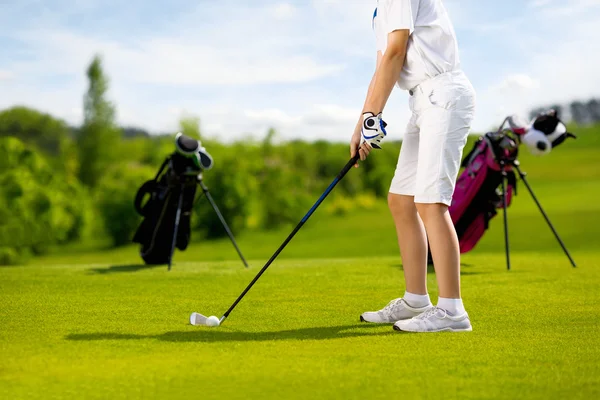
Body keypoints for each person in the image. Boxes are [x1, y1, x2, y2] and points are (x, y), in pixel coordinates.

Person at [351, 0, 476, 332]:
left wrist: (371, 116)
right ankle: (415, 300)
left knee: (430, 203)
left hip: (444, 94)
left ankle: (452, 311)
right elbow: (383, 64)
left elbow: (397, 51)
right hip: (422, 102)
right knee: (401, 201)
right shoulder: (380, 11)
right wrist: (363, 121)